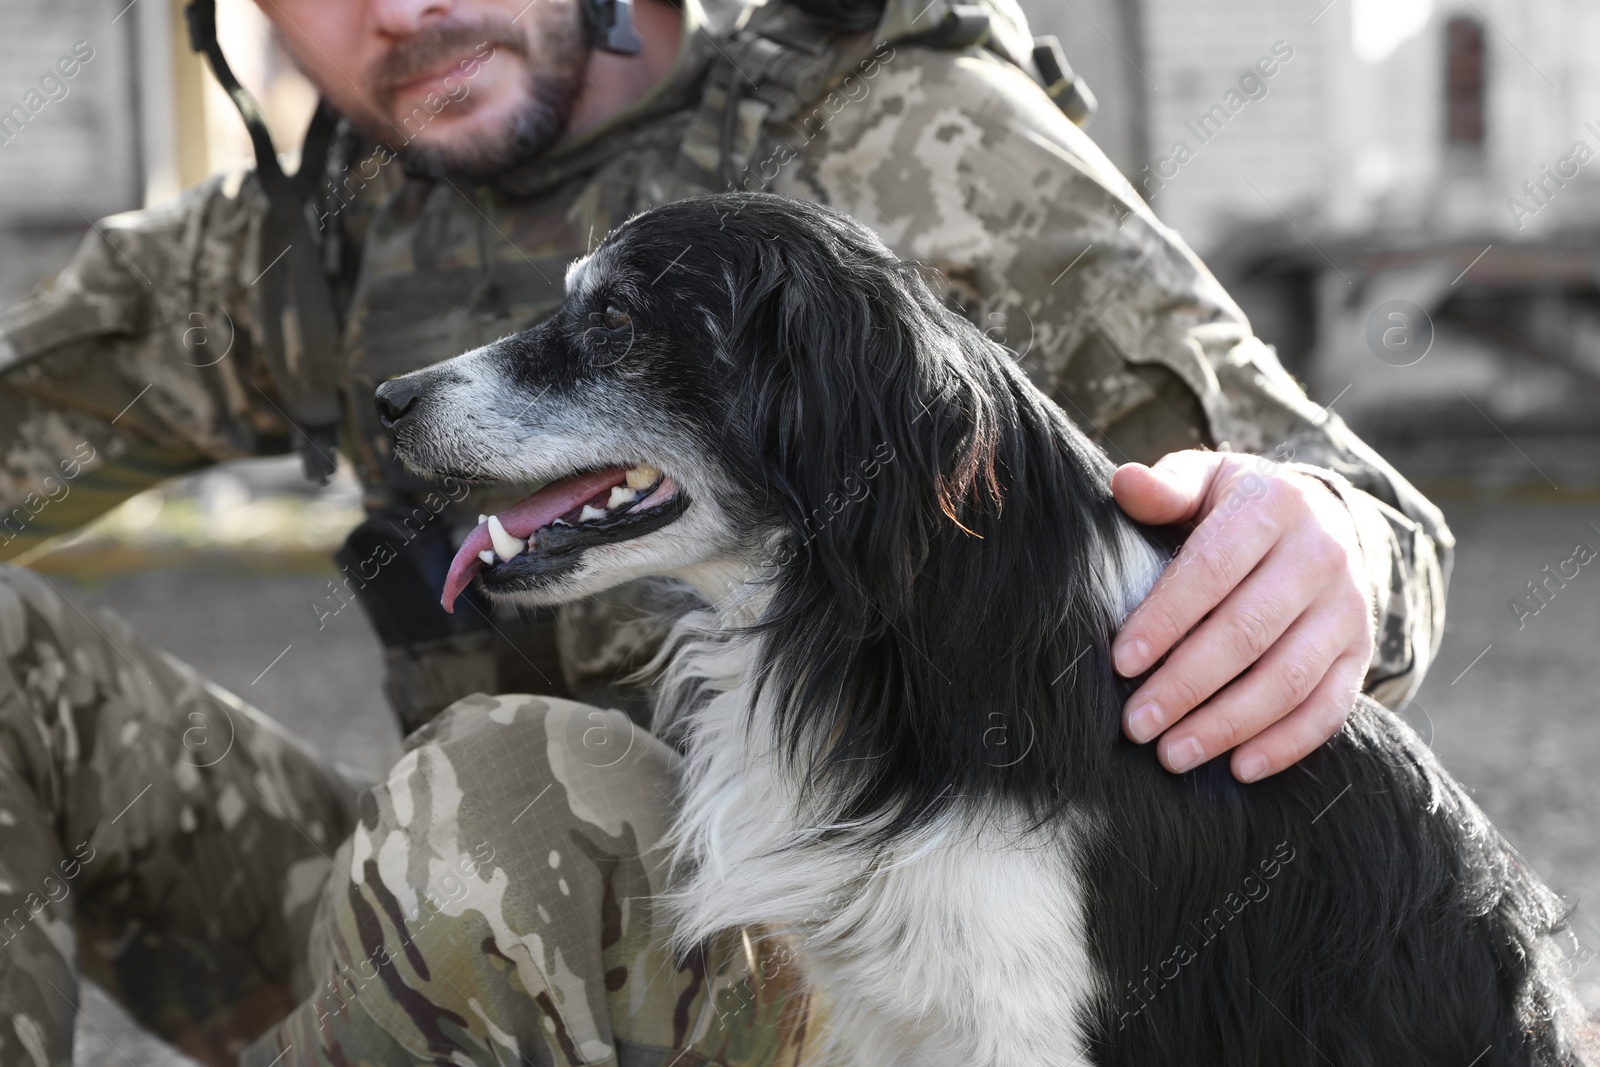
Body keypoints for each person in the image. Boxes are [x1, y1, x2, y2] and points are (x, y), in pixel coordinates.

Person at [0, 0, 1453, 1060]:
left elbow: (1328, 494)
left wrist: (1330, 541)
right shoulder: (301, 235)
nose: (403, 7)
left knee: (501, 777)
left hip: (843, 949)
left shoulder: (888, 136)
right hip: (467, 917)